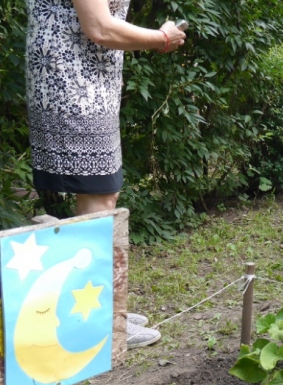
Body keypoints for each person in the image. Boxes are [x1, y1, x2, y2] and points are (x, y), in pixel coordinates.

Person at [26, 0, 186, 348]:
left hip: (88, 87)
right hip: (72, 90)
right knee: (99, 197)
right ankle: (100, 323)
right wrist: (161, 37)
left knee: (103, 196)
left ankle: (100, 307)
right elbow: (100, 27)